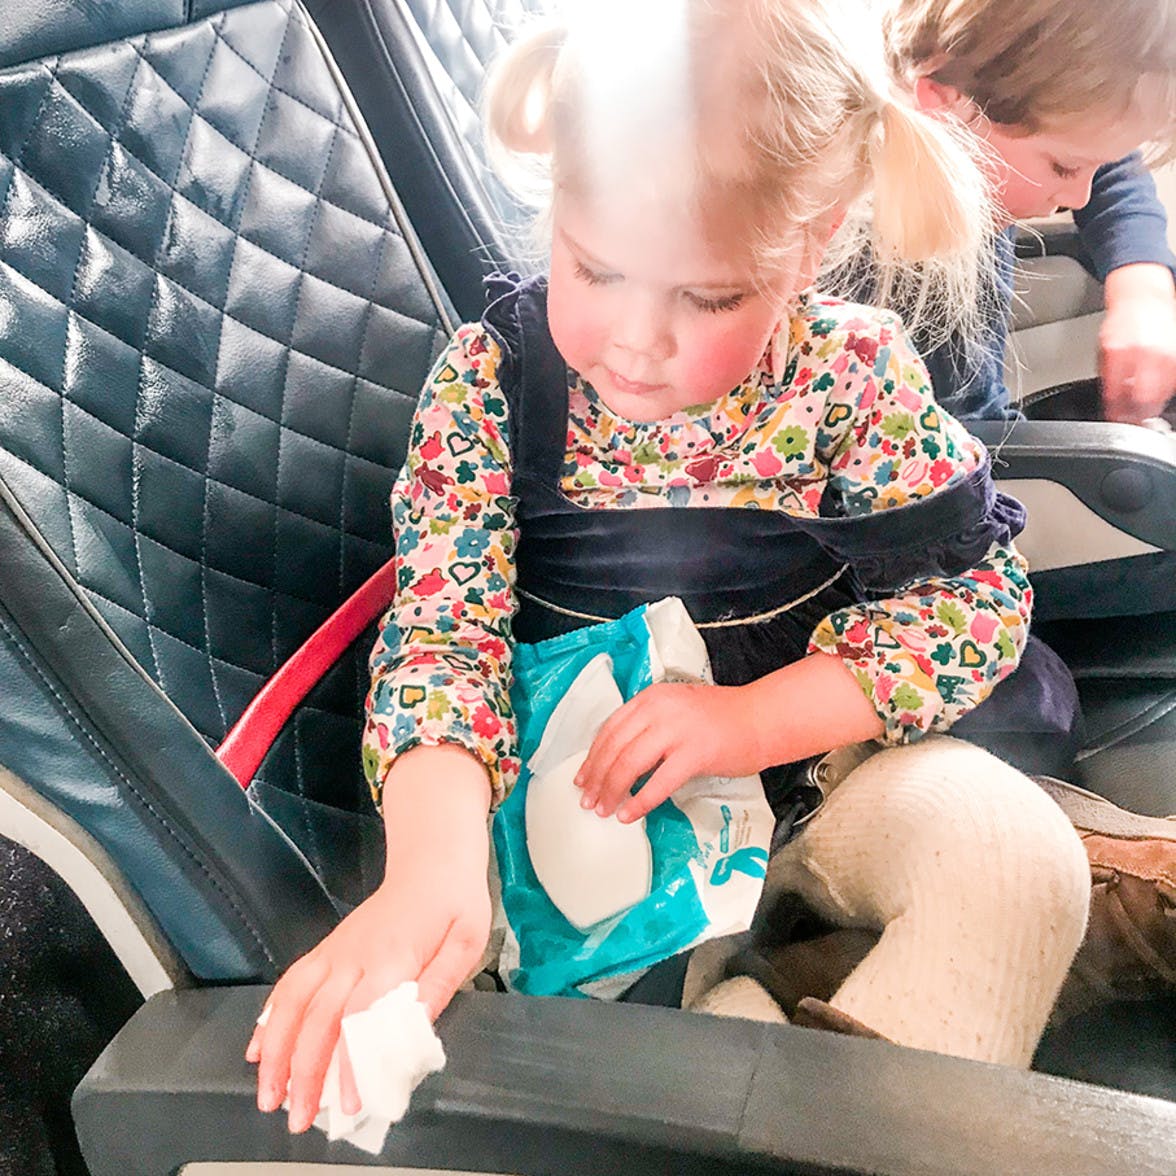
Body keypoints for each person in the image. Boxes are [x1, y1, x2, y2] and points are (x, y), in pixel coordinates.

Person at [247, 0, 1092, 1133]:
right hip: (588, 836)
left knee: (1014, 856)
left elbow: (970, 604)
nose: (638, 341)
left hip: (816, 788)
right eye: (595, 271)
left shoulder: (852, 373)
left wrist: (748, 723)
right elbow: (441, 642)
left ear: (810, 244)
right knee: (629, 1017)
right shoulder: (488, 388)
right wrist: (429, 871)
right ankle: (759, 1016)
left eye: (707, 297)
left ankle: (805, 1051)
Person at [879, 0, 1176, 423]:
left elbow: (1104, 155)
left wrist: (1143, 291)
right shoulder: (894, 270)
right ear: (943, 107)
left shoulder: (968, 128)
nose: (1079, 197)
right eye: (1064, 168)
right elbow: (968, 431)